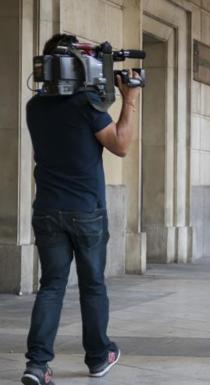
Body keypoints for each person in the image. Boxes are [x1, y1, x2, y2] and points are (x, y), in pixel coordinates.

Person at [22, 34, 141, 385]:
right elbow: (120, 145)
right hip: (85, 211)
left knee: (52, 286)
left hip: (46, 209)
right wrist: (130, 99)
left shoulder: (35, 106)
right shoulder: (85, 103)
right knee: (92, 286)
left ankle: (36, 364)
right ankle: (97, 356)